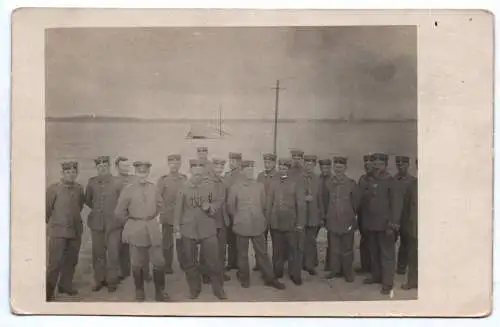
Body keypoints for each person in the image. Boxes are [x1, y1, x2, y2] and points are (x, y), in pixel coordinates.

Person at [114, 161, 168, 302]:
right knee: (137, 262)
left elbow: (161, 206)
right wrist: (131, 224)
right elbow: (119, 212)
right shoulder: (128, 190)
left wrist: (157, 219)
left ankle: (160, 292)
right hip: (136, 228)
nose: (142, 175)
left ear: (148, 173)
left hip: (152, 227)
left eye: (144, 172)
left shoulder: (153, 188)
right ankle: (139, 291)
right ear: (135, 173)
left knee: (159, 262)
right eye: (139, 172)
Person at [227, 160, 286, 290]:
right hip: (241, 225)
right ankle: (244, 278)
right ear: (241, 171)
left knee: (263, 253)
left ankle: (270, 278)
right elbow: (231, 208)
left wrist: (262, 219)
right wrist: (238, 218)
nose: (250, 172)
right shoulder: (235, 187)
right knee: (242, 254)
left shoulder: (259, 186)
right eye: (247, 170)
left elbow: (264, 204)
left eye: (251, 170)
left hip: (258, 224)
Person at [174, 159, 227, 300]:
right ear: (191, 172)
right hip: (189, 230)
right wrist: (177, 229)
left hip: (207, 228)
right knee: (190, 262)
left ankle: (218, 289)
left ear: (203, 172)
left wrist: (210, 207)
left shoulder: (210, 188)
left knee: (214, 261)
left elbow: (217, 202)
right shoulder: (183, 188)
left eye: (200, 173)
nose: (197, 176)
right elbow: (178, 210)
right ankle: (194, 288)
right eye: (195, 173)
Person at [360, 153, 404, 295]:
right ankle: (376, 276)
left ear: (385, 165)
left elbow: (396, 205)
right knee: (373, 252)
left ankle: (387, 283)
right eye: (374, 164)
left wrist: (393, 224)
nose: (377, 167)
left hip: (386, 225)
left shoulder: (391, 181)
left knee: (387, 255)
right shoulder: (369, 180)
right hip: (371, 224)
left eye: (380, 164)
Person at [46, 161, 85, 301]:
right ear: (63, 173)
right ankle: (48, 291)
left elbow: (79, 206)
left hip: (75, 231)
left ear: (76, 173)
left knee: (71, 260)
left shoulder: (79, 188)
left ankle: (65, 286)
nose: (71, 174)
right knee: (55, 262)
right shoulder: (53, 189)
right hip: (58, 232)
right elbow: (46, 210)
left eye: (73, 172)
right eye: (68, 172)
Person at [85, 156, 125, 293]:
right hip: (96, 224)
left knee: (113, 253)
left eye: (105, 166)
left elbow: (123, 202)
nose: (102, 169)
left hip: (114, 224)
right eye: (99, 167)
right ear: (97, 168)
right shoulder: (92, 182)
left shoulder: (118, 182)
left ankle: (112, 281)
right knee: (98, 253)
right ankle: (99, 280)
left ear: (109, 167)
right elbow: (88, 200)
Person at [267, 158, 305, 285]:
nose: (283, 170)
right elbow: (269, 202)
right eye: (281, 168)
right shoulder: (273, 182)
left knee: (293, 249)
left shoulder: (296, 182)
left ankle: (295, 274)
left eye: (285, 168)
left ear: (289, 169)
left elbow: (300, 204)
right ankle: (277, 272)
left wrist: (300, 223)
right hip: (276, 221)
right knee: (277, 249)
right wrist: (268, 220)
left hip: (291, 222)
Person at [324, 157, 359, 283]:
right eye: (336, 167)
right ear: (334, 168)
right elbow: (325, 201)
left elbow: (355, 203)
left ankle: (347, 272)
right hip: (332, 220)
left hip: (347, 220)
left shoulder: (351, 183)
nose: (338, 170)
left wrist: (350, 215)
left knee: (347, 248)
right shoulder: (328, 183)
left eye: (341, 167)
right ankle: (335, 270)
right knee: (334, 248)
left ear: (345, 168)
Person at [200, 157, 232, 283]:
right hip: (210, 220)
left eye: (221, 167)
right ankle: (205, 274)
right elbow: (203, 201)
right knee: (206, 249)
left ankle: (220, 272)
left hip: (222, 220)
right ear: (212, 167)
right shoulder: (206, 182)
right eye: (217, 167)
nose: (219, 170)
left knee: (221, 249)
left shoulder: (224, 182)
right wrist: (211, 208)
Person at [157, 154, 187, 275]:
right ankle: (167, 265)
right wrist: (162, 212)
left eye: (176, 163)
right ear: (168, 165)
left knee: (182, 242)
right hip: (168, 217)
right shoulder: (163, 180)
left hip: (181, 217)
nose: (174, 166)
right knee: (167, 243)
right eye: (171, 163)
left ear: (180, 165)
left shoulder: (184, 179)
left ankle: (183, 264)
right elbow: (158, 198)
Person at [254, 152, 280, 271]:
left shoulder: (279, 176)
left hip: (275, 213)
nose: (267, 164)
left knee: (276, 242)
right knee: (260, 241)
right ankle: (260, 264)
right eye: (265, 162)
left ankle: (276, 265)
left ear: (274, 163)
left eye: (269, 162)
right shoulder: (260, 176)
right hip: (261, 213)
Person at [393, 155, 417, 275]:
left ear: (408, 165)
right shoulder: (393, 180)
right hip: (394, 216)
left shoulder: (412, 181)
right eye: (398, 164)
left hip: (407, 217)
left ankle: (402, 267)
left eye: (403, 164)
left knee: (406, 243)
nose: (400, 166)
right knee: (390, 242)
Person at [223, 152, 243, 271]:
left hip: (238, 211)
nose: (231, 163)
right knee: (230, 239)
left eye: (234, 161)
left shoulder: (241, 175)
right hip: (228, 211)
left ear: (239, 162)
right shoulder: (227, 175)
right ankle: (231, 262)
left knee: (239, 238)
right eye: (230, 160)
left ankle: (239, 263)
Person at [114, 156, 132, 281]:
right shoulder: (113, 181)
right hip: (118, 218)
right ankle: (121, 271)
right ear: (117, 167)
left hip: (132, 216)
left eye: (127, 166)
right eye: (122, 166)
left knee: (135, 244)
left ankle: (137, 270)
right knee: (118, 245)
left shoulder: (134, 180)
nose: (125, 168)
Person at [402, 158, 418, 290]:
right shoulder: (412, 185)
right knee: (413, 256)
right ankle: (412, 281)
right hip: (414, 227)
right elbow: (406, 207)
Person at [356, 154, 373, 274]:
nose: (367, 164)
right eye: (365, 161)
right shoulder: (362, 179)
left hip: (374, 217)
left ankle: (374, 268)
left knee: (374, 243)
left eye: (370, 161)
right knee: (364, 242)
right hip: (363, 216)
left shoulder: (379, 180)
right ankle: (365, 266)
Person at [318, 158, 333, 271]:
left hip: (330, 213)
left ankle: (330, 264)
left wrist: (327, 214)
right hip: (318, 213)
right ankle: (311, 263)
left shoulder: (333, 180)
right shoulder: (317, 180)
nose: (325, 170)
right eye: (322, 168)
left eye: (327, 167)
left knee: (332, 240)